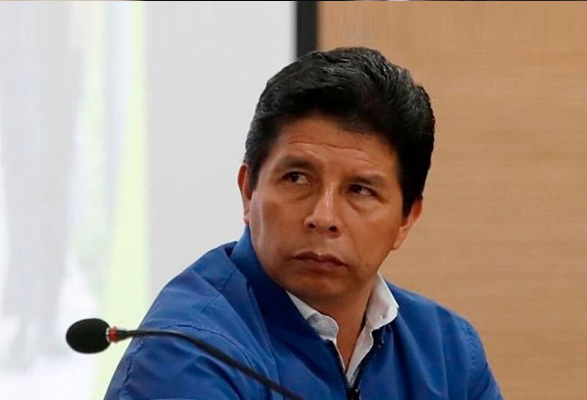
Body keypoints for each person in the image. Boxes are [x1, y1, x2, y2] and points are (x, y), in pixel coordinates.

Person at [105, 47, 503, 400]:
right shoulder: (186, 353)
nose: (323, 217)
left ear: (406, 219)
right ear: (249, 191)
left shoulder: (448, 353)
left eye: (360, 190)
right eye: (296, 178)